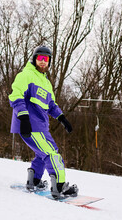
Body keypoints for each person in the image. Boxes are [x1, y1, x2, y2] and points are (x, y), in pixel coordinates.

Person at [8, 45, 78, 199]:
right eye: (39, 58)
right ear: (34, 59)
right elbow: (15, 96)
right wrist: (24, 118)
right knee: (52, 154)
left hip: (41, 126)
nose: (42, 62)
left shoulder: (46, 83)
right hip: (30, 125)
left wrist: (62, 118)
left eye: (46, 59)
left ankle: (35, 180)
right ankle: (59, 186)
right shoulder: (25, 75)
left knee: (44, 153)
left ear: (49, 62)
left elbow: (51, 105)